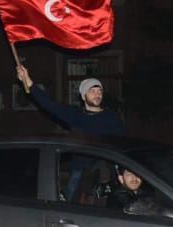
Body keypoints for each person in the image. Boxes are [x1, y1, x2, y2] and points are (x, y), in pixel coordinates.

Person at [16, 64, 127, 199]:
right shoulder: (75, 115)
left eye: (100, 91)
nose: (97, 95)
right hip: (79, 172)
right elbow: (50, 105)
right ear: (83, 95)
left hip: (105, 173)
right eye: (92, 91)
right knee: (71, 207)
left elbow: (123, 145)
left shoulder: (111, 118)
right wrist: (28, 81)